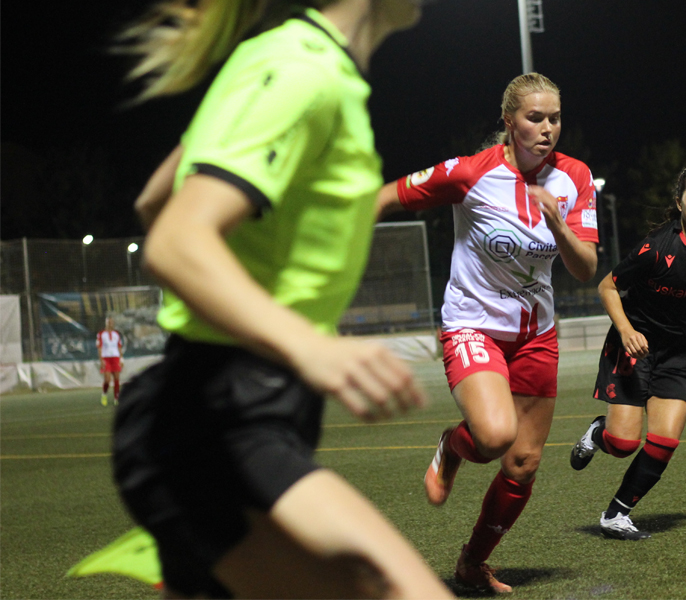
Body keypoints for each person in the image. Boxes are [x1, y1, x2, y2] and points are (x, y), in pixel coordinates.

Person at [110, 1, 452, 598]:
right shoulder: (300, 69)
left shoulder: (302, 68)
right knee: (391, 585)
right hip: (209, 421)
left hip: (254, 408)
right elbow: (174, 238)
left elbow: (154, 202)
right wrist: (306, 345)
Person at [376, 73, 599, 593]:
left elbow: (586, 268)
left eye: (555, 119)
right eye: (534, 118)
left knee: (522, 463)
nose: (547, 129)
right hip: (472, 324)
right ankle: (453, 446)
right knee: (495, 436)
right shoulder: (470, 173)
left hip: (537, 336)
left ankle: (471, 563)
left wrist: (560, 226)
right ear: (508, 122)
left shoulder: (575, 178)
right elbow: (390, 193)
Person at [568, 163, 686, 540]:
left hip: (676, 355)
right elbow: (607, 287)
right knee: (623, 444)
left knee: (664, 441)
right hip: (633, 348)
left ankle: (616, 514)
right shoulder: (657, 247)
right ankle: (598, 433)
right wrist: (625, 330)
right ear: (680, 202)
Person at [97, 316, 125, 406]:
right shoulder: (101, 334)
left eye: (112, 322)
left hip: (115, 357)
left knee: (117, 379)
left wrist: (121, 358)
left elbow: (119, 346)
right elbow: (100, 347)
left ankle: (116, 398)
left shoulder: (116, 334)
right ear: (106, 323)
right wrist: (101, 360)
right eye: (109, 322)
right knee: (107, 380)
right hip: (106, 358)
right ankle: (104, 394)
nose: (110, 324)